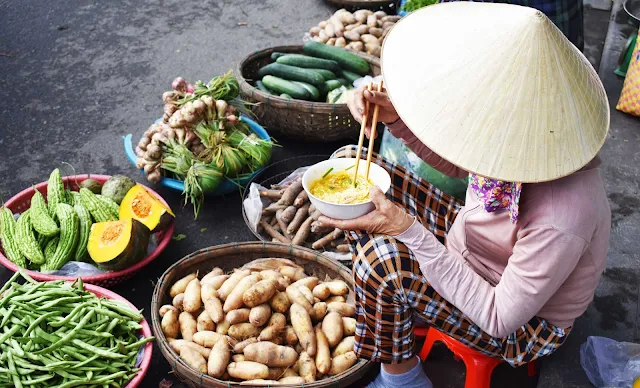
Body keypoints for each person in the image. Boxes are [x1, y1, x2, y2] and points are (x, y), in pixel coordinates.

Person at [319, 3, 611, 388]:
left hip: (520, 327)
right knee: (352, 165)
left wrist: (409, 232)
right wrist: (393, 119)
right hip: (473, 249)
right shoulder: (520, 146)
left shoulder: (563, 215)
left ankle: (401, 376)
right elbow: (463, 166)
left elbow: (498, 316)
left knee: (382, 261)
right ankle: (394, 309)